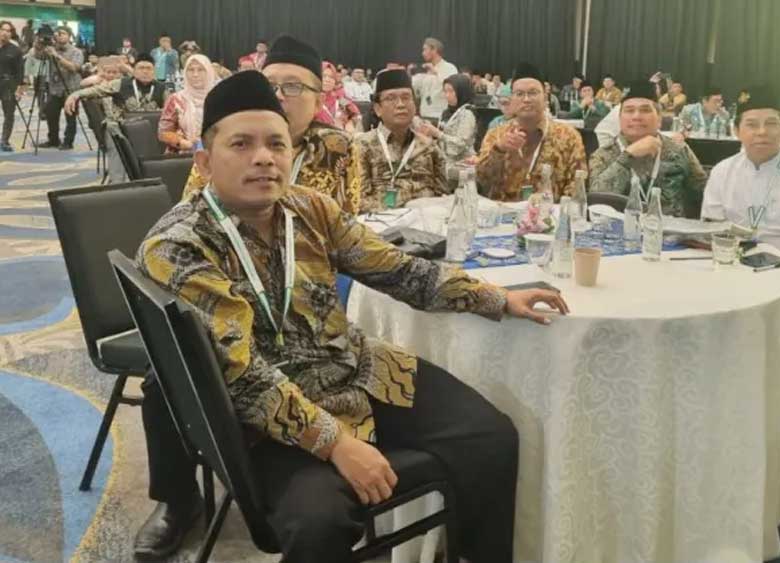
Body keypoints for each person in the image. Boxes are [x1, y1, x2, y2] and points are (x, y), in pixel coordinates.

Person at [134, 69, 568, 562]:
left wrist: (494, 298)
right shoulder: (179, 245)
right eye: (241, 144)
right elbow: (243, 375)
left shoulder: (309, 208)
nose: (263, 157)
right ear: (204, 160)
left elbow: (397, 269)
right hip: (267, 420)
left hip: (358, 371)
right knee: (318, 521)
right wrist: (336, 443)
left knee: (490, 437)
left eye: (276, 144)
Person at [183, 36, 358, 215]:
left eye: (292, 86)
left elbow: (349, 219)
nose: (278, 96)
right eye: (269, 86)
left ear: (318, 103)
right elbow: (188, 212)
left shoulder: (338, 146)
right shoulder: (225, 140)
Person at [701, 90, 780, 329]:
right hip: (731, 265)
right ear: (736, 131)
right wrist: (733, 265)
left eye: (771, 123)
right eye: (752, 125)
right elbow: (712, 228)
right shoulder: (722, 171)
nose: (762, 132)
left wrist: (779, 269)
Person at [590, 80, 707, 218]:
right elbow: (597, 202)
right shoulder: (605, 153)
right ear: (620, 119)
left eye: (645, 110)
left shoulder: (678, 150)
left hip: (670, 229)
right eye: (629, 111)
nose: (636, 117)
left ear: (659, 119)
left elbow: (705, 193)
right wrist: (628, 156)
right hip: (619, 228)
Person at [476, 62, 587, 201]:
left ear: (545, 97)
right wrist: (499, 150)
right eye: (519, 94)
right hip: (502, 212)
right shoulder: (496, 135)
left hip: (549, 212)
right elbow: (481, 181)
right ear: (511, 100)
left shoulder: (569, 137)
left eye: (533, 93)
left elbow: (577, 188)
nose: (526, 99)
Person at [350, 69, 448, 212]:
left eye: (406, 97)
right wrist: (404, 209)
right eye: (391, 98)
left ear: (414, 105)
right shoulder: (362, 146)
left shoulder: (428, 146)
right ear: (378, 109)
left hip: (426, 219)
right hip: (381, 221)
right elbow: (357, 200)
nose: (401, 104)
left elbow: (443, 194)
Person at [66, 53, 166, 122]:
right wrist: (75, 95)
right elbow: (96, 90)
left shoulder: (162, 88)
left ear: (154, 72)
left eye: (149, 68)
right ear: (134, 71)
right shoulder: (120, 83)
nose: (145, 71)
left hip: (153, 129)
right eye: (141, 68)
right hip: (124, 129)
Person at [28, 26, 83, 150]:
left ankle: (68, 142)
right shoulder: (50, 49)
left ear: (69, 36)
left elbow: (74, 68)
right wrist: (38, 44)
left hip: (71, 89)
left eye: (63, 33)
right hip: (54, 89)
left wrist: (56, 56)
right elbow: (37, 57)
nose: (60, 35)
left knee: (70, 117)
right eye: (58, 33)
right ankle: (53, 140)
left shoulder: (76, 52)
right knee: (51, 114)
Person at [415, 73, 477, 178]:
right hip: (445, 162)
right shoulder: (446, 112)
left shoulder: (467, 114)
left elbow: (460, 144)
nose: (447, 95)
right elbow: (442, 137)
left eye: (451, 91)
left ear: (461, 91)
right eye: (445, 91)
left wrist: (437, 133)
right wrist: (430, 133)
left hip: (462, 166)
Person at [158, 54, 216, 153]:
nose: (195, 74)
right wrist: (181, 142)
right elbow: (163, 132)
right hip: (183, 154)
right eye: (191, 70)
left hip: (215, 153)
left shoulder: (218, 98)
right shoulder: (176, 99)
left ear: (209, 72)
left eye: (200, 70)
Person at [412, 37, 457, 120]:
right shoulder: (426, 70)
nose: (423, 53)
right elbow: (417, 91)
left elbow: (451, 88)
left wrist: (435, 72)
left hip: (440, 116)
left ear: (434, 50)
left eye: (425, 50)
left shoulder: (449, 67)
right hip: (424, 115)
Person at [0, 20, 24, 152]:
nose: (5, 33)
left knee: (9, 114)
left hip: (8, 85)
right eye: (3, 30)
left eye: (8, 31)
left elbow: (20, 72)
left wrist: (19, 90)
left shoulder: (16, 50)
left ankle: (4, 140)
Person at [317, 61, 359, 134]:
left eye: (331, 77)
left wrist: (350, 122)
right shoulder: (309, 99)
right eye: (324, 76)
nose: (328, 80)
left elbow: (356, 114)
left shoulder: (340, 98)